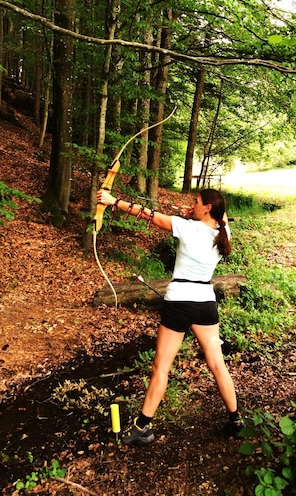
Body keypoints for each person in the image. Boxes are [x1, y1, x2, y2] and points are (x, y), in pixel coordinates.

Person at [96, 187, 243, 445]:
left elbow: (147, 214)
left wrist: (112, 201)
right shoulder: (223, 233)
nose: (191, 204)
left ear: (208, 207)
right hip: (205, 302)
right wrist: (196, 215)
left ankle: (143, 427)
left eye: (196, 202)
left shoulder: (186, 228)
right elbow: (223, 216)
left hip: (179, 302)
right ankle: (236, 421)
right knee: (218, 364)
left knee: (161, 367)